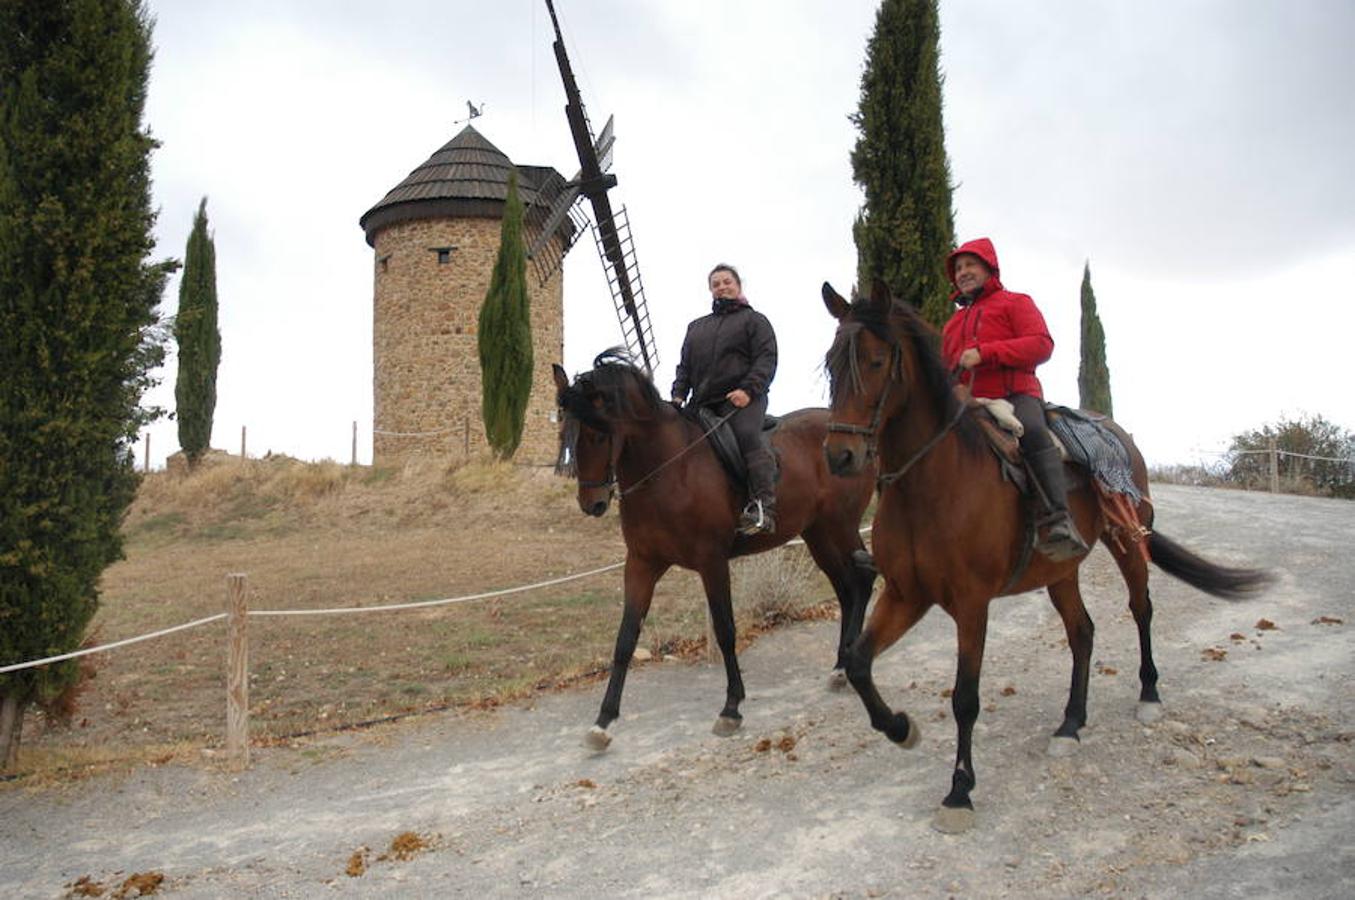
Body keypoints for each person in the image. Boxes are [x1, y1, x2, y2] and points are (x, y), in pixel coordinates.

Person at [940, 237, 1090, 561]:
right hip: (969, 403)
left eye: (970, 265)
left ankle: (1058, 519)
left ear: (989, 268)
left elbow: (1041, 345)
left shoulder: (1016, 303)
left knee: (1033, 432)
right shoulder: (952, 325)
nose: (963, 272)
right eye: (958, 268)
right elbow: (947, 369)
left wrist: (986, 353)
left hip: (1016, 394)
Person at [671, 263, 779, 535]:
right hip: (702, 403)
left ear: (738, 285)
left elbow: (766, 359)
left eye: (727, 282)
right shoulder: (696, 328)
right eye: (716, 283)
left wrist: (748, 390)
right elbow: (685, 366)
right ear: (710, 290)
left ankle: (763, 507)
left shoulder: (755, 321)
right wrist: (678, 394)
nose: (722, 286)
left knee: (746, 435)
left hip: (743, 399)